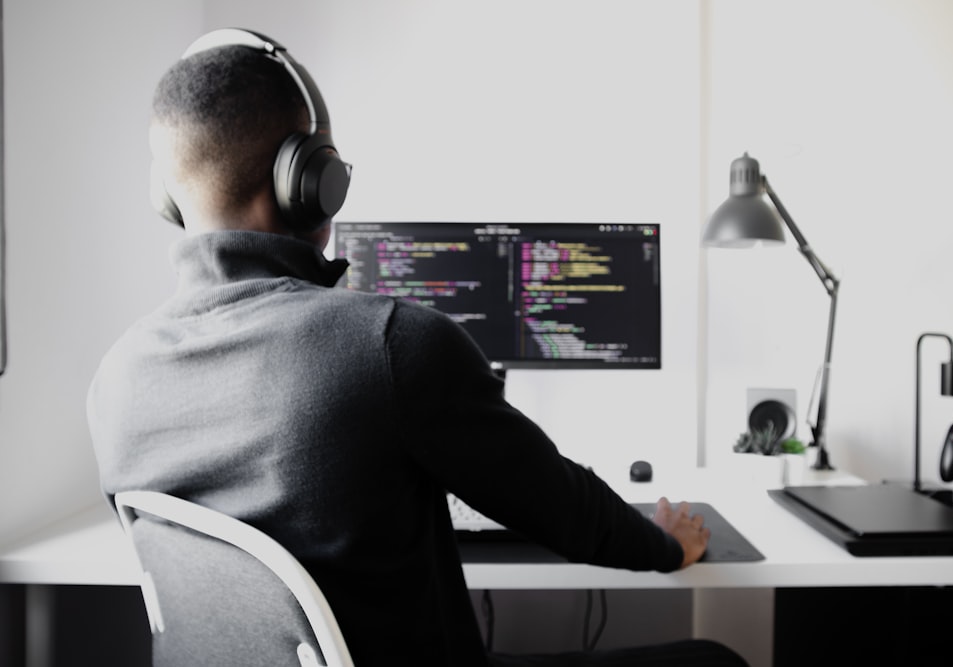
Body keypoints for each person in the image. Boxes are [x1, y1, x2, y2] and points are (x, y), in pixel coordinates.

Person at [87, 29, 748, 667]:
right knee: (714, 657)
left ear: (168, 195)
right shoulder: (388, 343)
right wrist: (667, 543)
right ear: (309, 180)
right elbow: (567, 511)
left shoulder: (114, 382)